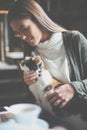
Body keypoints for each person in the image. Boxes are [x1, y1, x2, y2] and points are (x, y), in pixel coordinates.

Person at [8, 0, 87, 130]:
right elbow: (34, 98)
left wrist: (73, 88)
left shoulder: (75, 40)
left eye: (24, 29)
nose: (22, 36)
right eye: (17, 33)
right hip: (48, 119)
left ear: (38, 19)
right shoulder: (30, 51)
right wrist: (27, 83)